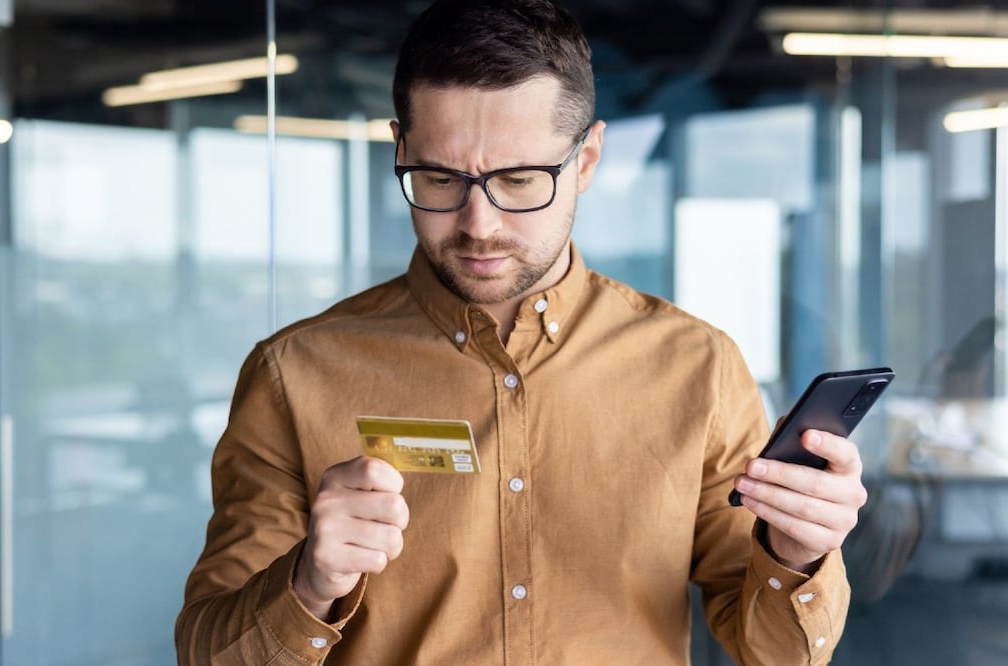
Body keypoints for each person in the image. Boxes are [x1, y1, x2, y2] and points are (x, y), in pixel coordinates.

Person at [175, 1, 867, 663]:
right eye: (440, 178)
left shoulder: (698, 367)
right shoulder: (294, 373)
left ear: (587, 162)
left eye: (520, 179)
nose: (479, 223)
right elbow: (207, 655)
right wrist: (310, 584)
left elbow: (776, 655)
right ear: (399, 150)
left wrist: (798, 554)